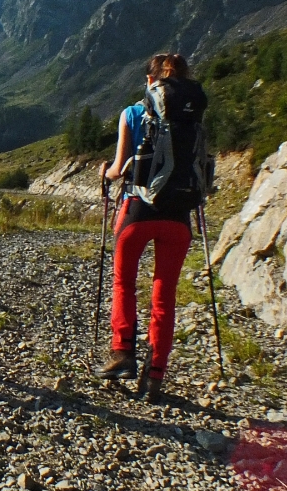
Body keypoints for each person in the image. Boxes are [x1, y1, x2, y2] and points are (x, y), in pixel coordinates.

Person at [94, 53, 200, 402]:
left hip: (138, 210)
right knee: (164, 293)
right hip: (179, 216)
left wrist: (105, 171)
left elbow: (120, 168)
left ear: (150, 80)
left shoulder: (133, 112)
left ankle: (123, 353)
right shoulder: (193, 115)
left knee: (124, 282)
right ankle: (155, 375)